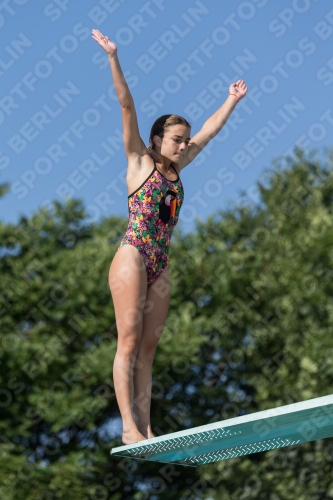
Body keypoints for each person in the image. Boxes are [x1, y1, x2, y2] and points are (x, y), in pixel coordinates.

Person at [92, 29, 248, 445]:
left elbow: (210, 132)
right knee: (127, 342)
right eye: (177, 140)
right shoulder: (139, 160)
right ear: (158, 139)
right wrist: (113, 57)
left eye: (185, 140)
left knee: (148, 350)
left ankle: (146, 427)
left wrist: (231, 99)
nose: (183, 146)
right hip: (133, 256)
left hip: (161, 262)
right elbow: (126, 104)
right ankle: (128, 428)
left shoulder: (178, 167)